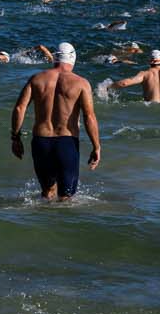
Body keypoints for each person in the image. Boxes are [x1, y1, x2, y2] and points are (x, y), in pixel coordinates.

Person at [10, 42, 101, 200]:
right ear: (72, 59)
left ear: (55, 58)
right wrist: (96, 147)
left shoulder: (36, 79)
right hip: (66, 142)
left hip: (41, 142)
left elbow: (19, 108)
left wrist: (15, 138)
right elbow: (89, 117)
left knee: (46, 193)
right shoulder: (81, 83)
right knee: (66, 197)